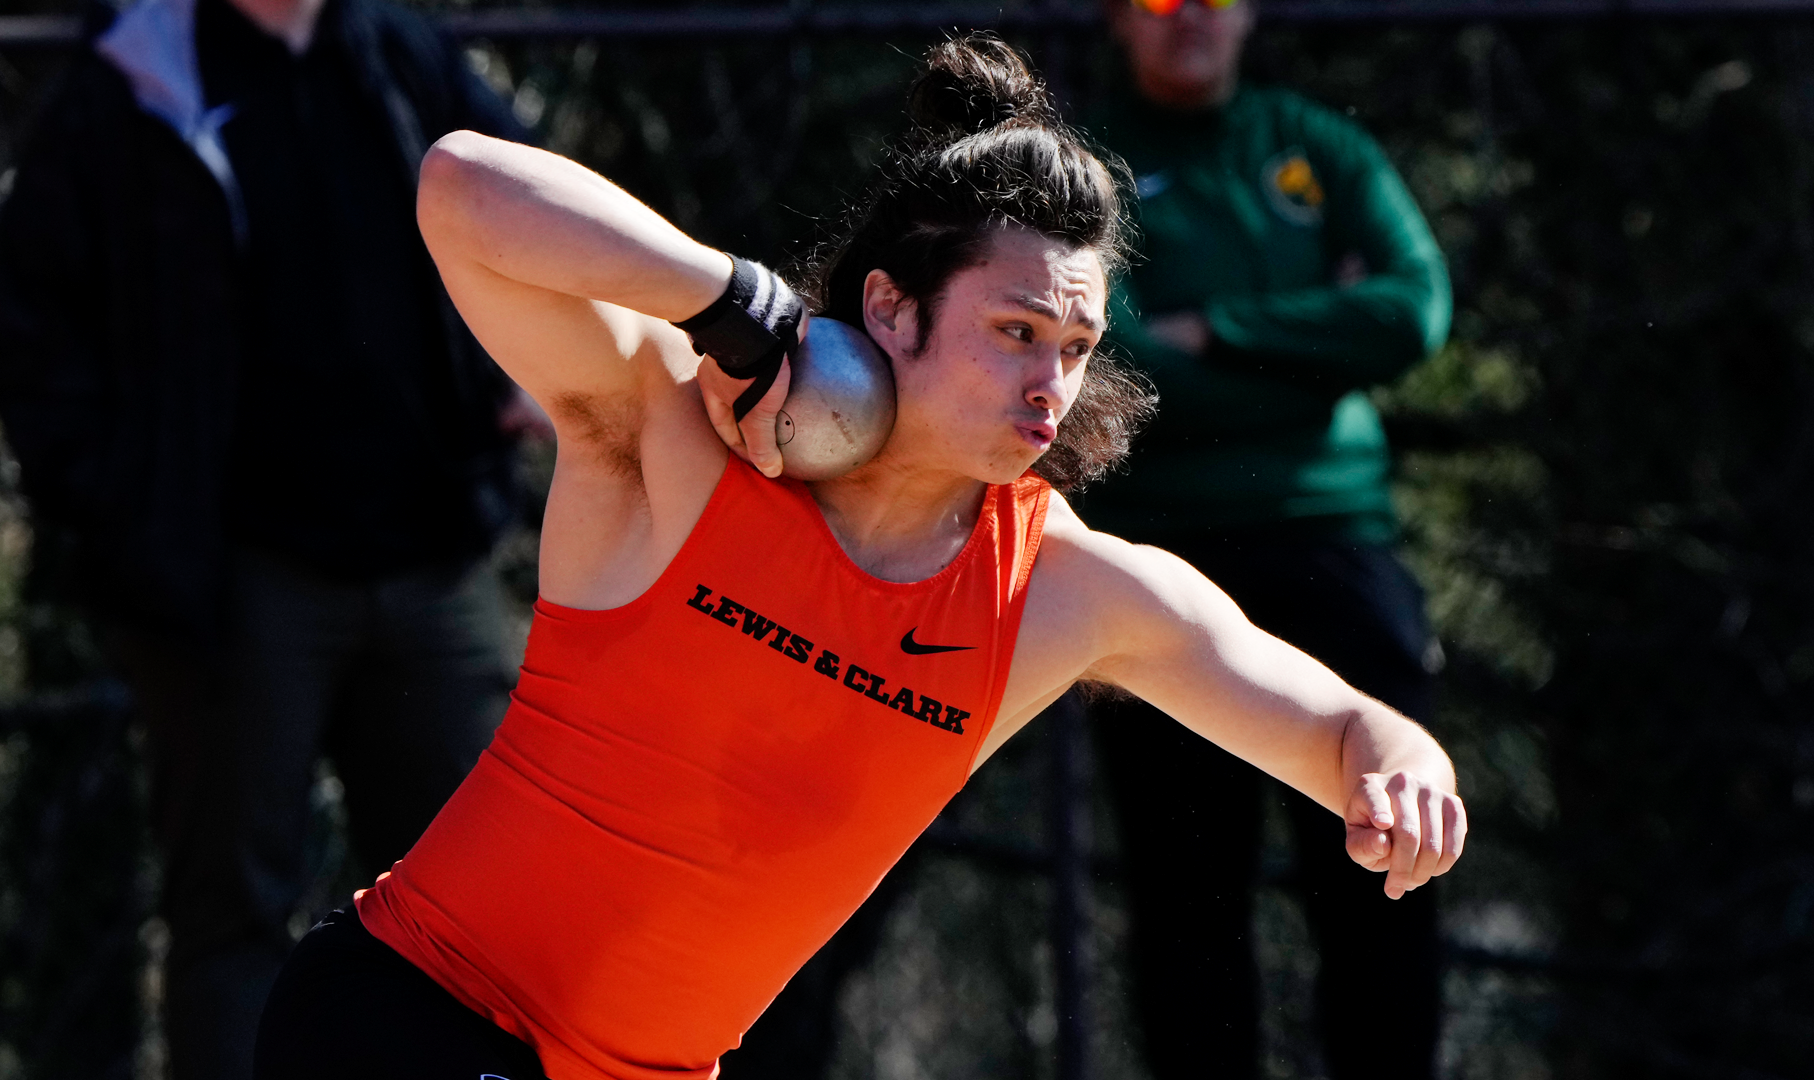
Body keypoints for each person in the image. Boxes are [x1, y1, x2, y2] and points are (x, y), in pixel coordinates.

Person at [250, 36, 1466, 1080]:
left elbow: (1342, 725)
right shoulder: (679, 441)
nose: (1050, 380)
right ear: (890, 309)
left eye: (1077, 344)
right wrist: (737, 308)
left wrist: (1398, 764)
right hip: (412, 1011)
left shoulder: (1060, 592)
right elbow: (461, 186)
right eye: (1014, 330)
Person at [0, 0, 531, 1076]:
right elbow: (29, 321)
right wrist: (119, 513)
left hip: (434, 560)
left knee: (479, 925)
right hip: (234, 587)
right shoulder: (130, 83)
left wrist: (527, 365)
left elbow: (534, 205)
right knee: (233, 923)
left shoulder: (401, 53)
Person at [1077, 2, 1456, 1078]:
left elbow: (1413, 313)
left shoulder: (1319, 148)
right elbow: (1121, 373)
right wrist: (1312, 348)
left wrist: (1219, 333)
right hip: (1162, 567)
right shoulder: (1088, 173)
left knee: (1383, 879)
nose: (1188, 12)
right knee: (1186, 901)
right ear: (1118, 18)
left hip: (1336, 551)